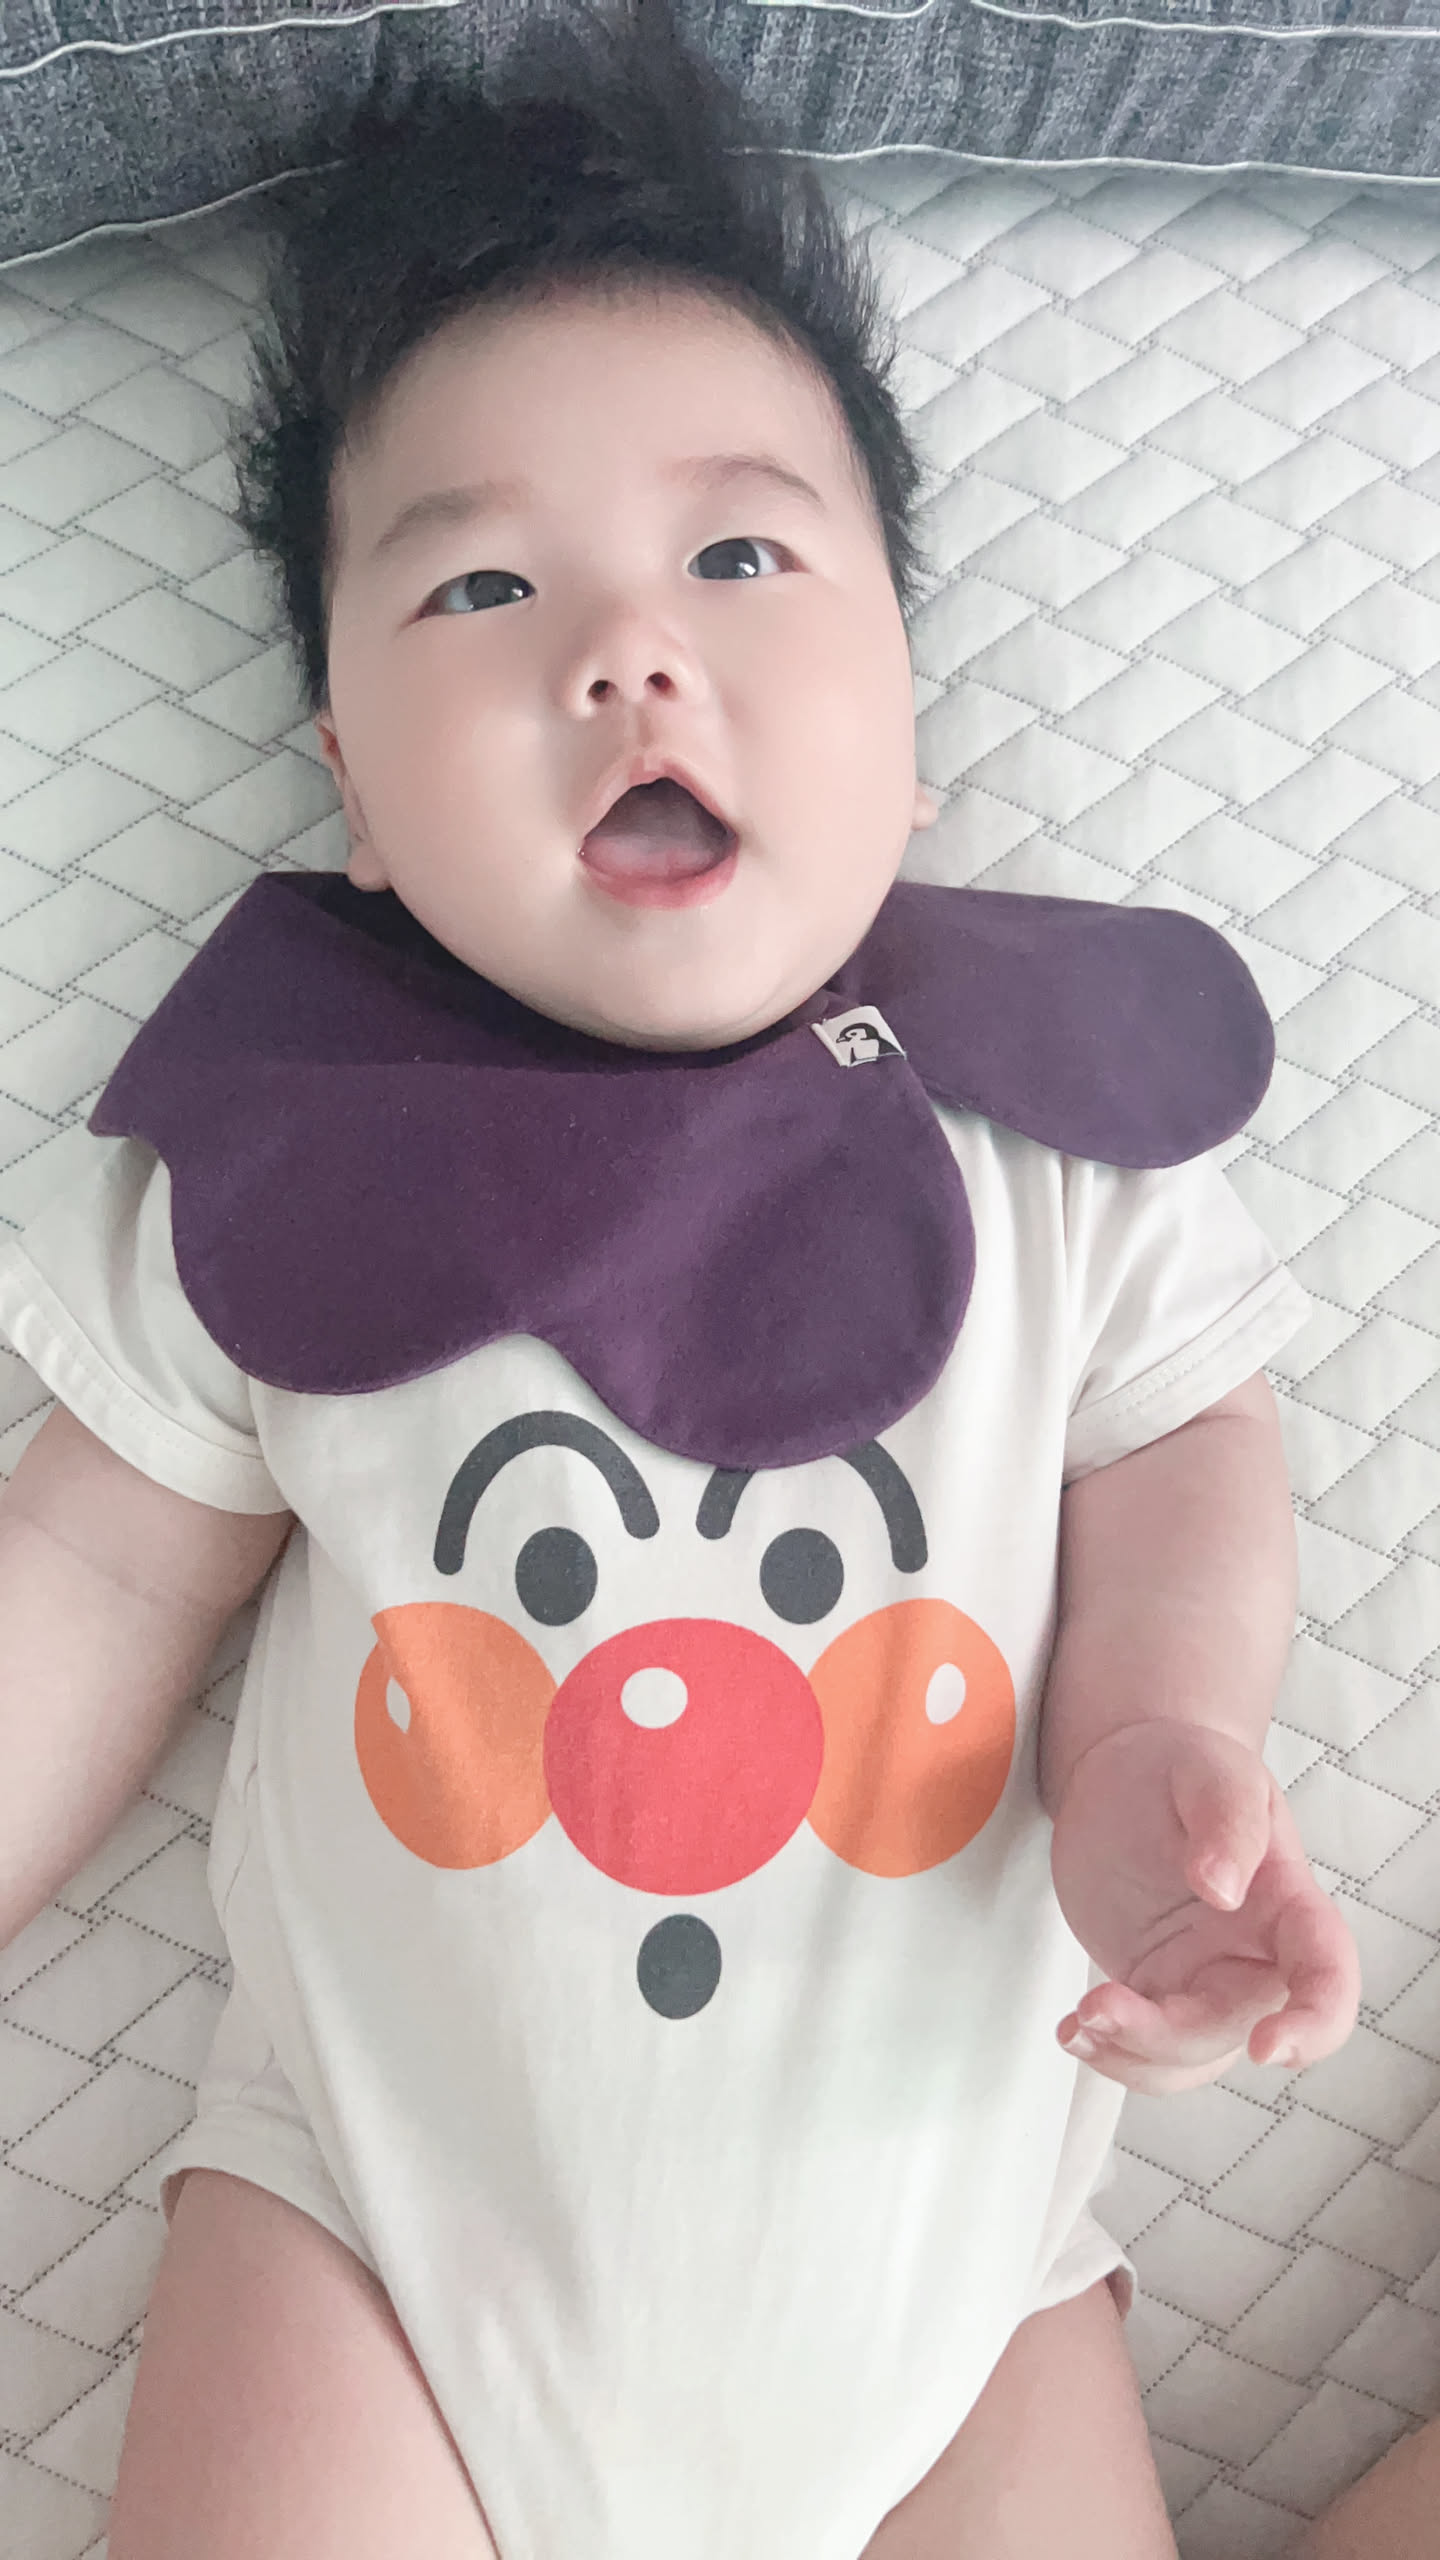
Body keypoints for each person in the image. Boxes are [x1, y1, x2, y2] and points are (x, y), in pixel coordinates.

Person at [0, 5, 1363, 2553]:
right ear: (353, 788)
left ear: (913, 722)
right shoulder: (291, 1151)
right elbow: (87, 1570)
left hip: (961, 2297)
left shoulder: (1060, 1143)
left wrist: (1155, 1749)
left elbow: (1188, 1450)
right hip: (375, 2252)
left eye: (741, 556)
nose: (627, 651)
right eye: (483, 583)